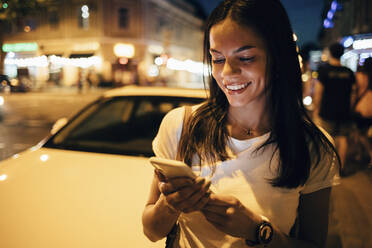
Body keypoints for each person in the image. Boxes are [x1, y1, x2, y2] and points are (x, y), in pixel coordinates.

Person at [142, 0, 339, 247]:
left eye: (245, 58)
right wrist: (170, 205)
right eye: (217, 59)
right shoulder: (181, 125)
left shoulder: (312, 147)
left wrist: (258, 230)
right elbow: (151, 230)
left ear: (277, 58)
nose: (227, 73)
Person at [313, 42, 355, 174]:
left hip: (327, 111)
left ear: (330, 53)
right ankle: (340, 167)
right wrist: (350, 107)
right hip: (344, 111)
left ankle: (328, 169)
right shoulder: (348, 72)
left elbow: (318, 92)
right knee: (342, 138)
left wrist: (316, 110)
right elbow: (354, 93)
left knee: (326, 139)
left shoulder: (324, 70)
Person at [352, 58, 372, 164]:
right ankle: (359, 154)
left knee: (360, 133)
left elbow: (356, 91)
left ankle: (367, 153)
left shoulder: (360, 75)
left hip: (362, 108)